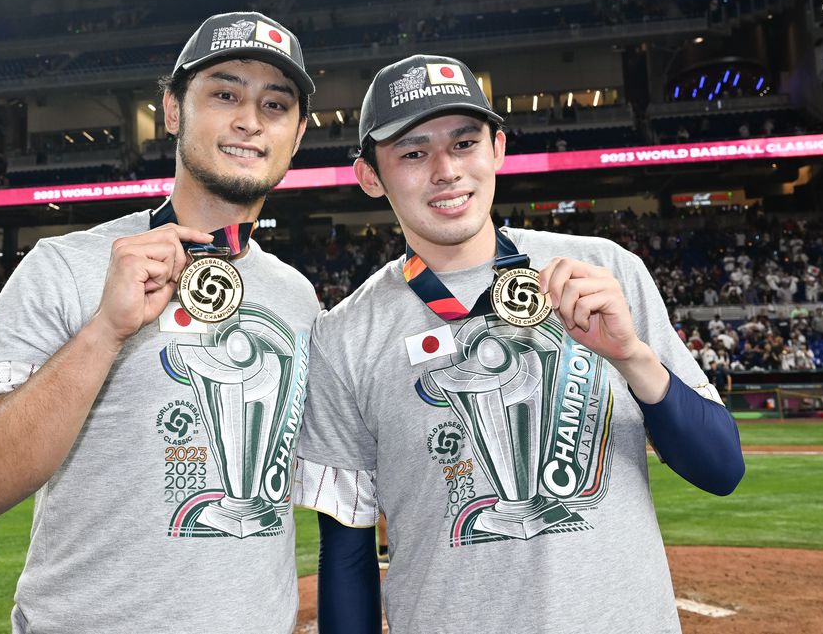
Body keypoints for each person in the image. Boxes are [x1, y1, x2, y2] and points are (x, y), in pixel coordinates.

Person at [295, 54, 745, 634]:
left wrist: (632, 356)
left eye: (464, 143)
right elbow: (349, 549)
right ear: (370, 177)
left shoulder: (606, 270)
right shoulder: (345, 336)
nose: (445, 170)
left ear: (498, 149)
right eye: (412, 152)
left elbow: (722, 470)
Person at [0, 12, 319, 633]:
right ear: (172, 110)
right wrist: (104, 332)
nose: (250, 121)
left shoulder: (299, 296)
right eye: (224, 94)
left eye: (275, 105)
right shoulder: (64, 267)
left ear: (298, 134)